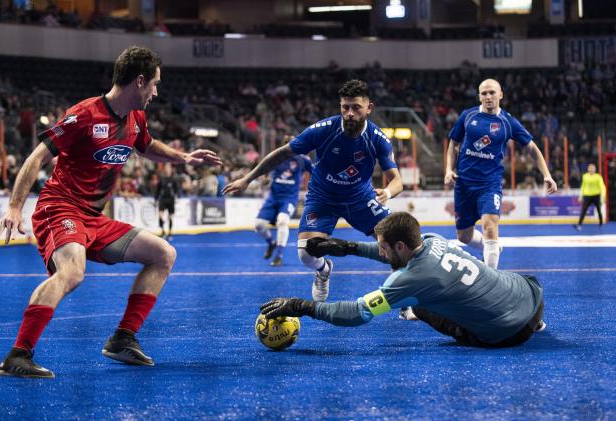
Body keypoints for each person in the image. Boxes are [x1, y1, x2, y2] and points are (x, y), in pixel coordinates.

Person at [0, 46, 222, 378]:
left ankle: (122, 339)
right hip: (59, 208)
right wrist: (14, 206)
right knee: (72, 273)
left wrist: (183, 158)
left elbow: (146, 146)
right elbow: (36, 158)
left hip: (94, 219)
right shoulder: (84, 114)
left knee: (163, 253)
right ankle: (18, 355)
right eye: (155, 84)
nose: (157, 92)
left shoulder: (136, 118)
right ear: (140, 82)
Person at [224, 80, 403, 301]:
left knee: (396, 242)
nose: (349, 113)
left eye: (356, 107)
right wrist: (248, 178)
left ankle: (402, 297)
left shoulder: (378, 139)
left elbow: (397, 181)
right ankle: (323, 270)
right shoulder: (322, 130)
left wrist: (388, 192)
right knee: (306, 254)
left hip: (360, 197)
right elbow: (281, 154)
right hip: (322, 197)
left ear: (369, 108)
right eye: (344, 107)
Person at [260, 212, 546, 348]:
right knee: (494, 278)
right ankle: (537, 323)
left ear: (400, 246)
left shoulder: (409, 280)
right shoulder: (433, 239)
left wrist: (302, 306)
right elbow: (391, 256)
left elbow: (357, 313)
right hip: (532, 297)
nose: (380, 250)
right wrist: (347, 247)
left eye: (383, 246)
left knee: (419, 307)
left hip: (507, 334)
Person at [444, 78, 557, 269]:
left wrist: (547, 174)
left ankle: (490, 280)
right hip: (464, 184)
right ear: (479, 96)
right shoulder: (467, 116)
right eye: (484, 93)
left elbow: (531, 148)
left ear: (501, 95)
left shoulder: (508, 122)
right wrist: (448, 170)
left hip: (490, 184)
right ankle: (493, 247)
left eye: (492, 93)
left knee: (489, 228)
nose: (488, 97)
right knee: (464, 236)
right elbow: (454, 145)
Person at [255, 134, 313, 267]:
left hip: (289, 198)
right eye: (287, 142)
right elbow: (265, 170)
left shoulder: (303, 159)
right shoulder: (275, 157)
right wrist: (265, 179)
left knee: (282, 221)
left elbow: (315, 172)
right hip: (273, 197)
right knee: (259, 225)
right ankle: (271, 243)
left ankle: (279, 255)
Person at [573, 163, 606, 230]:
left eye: (592, 168)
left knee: (599, 210)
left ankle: (601, 223)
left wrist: (602, 197)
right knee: (583, 211)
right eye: (590, 168)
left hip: (596, 196)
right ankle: (579, 224)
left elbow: (602, 187)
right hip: (587, 196)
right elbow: (583, 186)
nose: (591, 169)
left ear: (595, 169)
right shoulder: (585, 176)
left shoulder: (598, 177)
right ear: (588, 169)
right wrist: (580, 196)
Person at [156, 162, 181, 239]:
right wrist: (156, 198)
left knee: (170, 217)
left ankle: (170, 233)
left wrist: (177, 196)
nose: (167, 169)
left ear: (170, 169)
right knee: (160, 215)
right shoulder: (162, 178)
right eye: (166, 167)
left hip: (171, 199)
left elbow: (177, 189)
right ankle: (163, 231)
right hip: (163, 199)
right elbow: (158, 190)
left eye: (168, 167)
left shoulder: (174, 179)